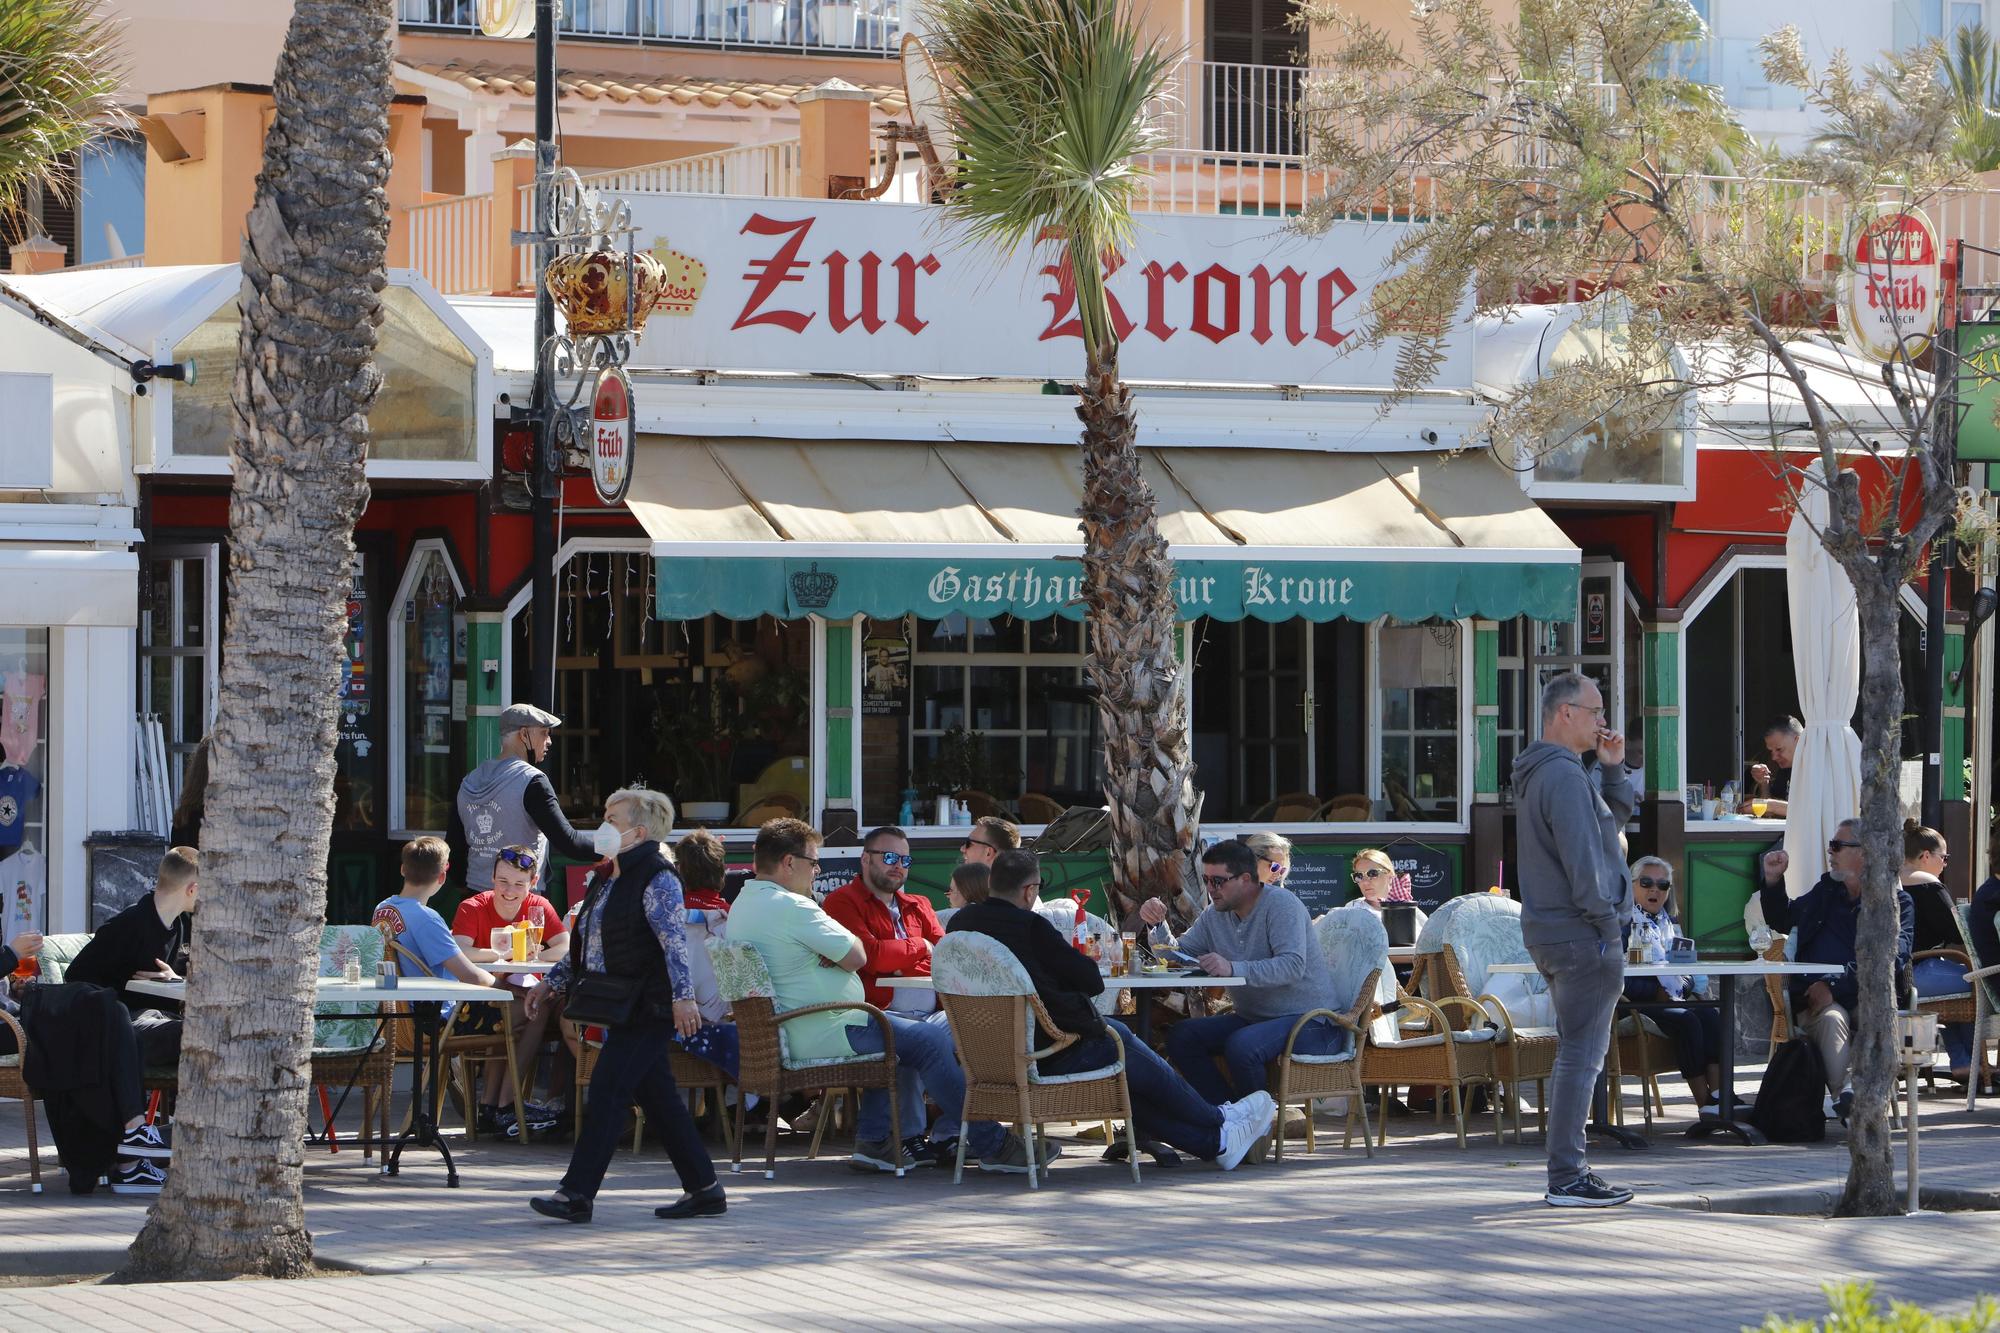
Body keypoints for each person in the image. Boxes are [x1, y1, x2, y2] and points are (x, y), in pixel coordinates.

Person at [729, 818, 1030, 1173]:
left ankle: (875, 1142)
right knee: (928, 1040)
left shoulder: (742, 904)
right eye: (813, 862)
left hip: (796, 1028)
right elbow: (859, 955)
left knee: (908, 1035)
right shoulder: (795, 907)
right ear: (789, 862)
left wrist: (833, 955)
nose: (817, 871)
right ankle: (994, 1144)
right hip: (825, 1027)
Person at [949, 848, 1276, 1168]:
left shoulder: (960, 926)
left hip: (984, 1059)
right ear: (1030, 890)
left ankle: (1217, 1142)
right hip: (1049, 1055)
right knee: (1117, 1039)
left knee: (1122, 1064)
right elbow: (1091, 979)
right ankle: (1219, 1117)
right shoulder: (1031, 928)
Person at [529, 787, 725, 1223]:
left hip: (648, 1006)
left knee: (607, 1089)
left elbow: (673, 943)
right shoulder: (608, 875)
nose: (603, 825)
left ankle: (576, 1193)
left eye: (611, 818)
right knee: (659, 1100)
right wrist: (552, 983)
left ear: (639, 831)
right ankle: (705, 1188)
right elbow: (586, 945)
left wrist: (682, 999)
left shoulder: (657, 875)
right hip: (620, 1002)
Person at [1513, 670, 1637, 1209]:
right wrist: (1609, 928)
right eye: (1595, 711)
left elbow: (1610, 834)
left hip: (1559, 932)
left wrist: (1611, 773)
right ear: (1565, 712)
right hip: (1582, 934)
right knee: (1581, 1056)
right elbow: (1586, 863)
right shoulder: (1561, 775)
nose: (1603, 721)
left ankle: (1569, 1172)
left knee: (1578, 1052)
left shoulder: (1554, 771)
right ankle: (1567, 1175)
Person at [1137, 839, 1345, 1105]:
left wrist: (1233, 968)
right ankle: (1228, 1116)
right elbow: (1176, 955)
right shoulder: (1216, 914)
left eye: (1218, 881)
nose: (1211, 889)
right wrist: (1156, 924)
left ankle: (1256, 1129)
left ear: (1246, 879)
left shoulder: (1282, 905)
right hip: (1255, 1019)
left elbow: (1292, 966)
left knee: (1242, 1045)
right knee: (1182, 1036)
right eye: (1206, 880)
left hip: (1313, 1023)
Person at [1758, 820, 1916, 1123]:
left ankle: (1851, 1098)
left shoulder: (1897, 903)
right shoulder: (1825, 891)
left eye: (1837, 846)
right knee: (1832, 1018)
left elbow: (1892, 958)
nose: (1830, 852)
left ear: (1865, 853)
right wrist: (1773, 879)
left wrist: (1833, 983)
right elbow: (1783, 918)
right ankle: (1847, 1095)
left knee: (1873, 1019)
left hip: (1869, 997)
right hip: (1817, 1001)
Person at [450, 845, 571, 1137]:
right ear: (491, 878)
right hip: (476, 1003)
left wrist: (536, 956)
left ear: (533, 881)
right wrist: (498, 954)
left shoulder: (538, 906)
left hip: (520, 993)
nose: (509, 890)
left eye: (519, 884)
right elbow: (458, 948)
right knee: (534, 1008)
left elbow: (565, 946)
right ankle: (504, 1104)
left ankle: (496, 1104)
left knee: (536, 1006)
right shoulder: (474, 906)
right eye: (502, 881)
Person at [66, 845, 200, 1070]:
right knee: (196, 1034)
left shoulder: (177, 925)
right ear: (192, 889)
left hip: (155, 1019)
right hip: (119, 1027)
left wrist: (174, 978)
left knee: (208, 1030)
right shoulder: (128, 924)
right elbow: (75, 976)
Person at [448, 703, 599, 898]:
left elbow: (454, 845)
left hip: (475, 897)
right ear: (524, 734)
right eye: (544, 733)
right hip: (518, 899)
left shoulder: (469, 780)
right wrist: (609, 850)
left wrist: (463, 886)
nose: (549, 741)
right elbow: (567, 840)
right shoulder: (532, 781)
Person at [1623, 856, 1723, 1107]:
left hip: (1668, 999)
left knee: (1710, 1015)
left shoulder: (1669, 924)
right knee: (1687, 1020)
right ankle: (1704, 1103)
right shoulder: (1622, 923)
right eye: (1646, 882)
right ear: (1632, 885)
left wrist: (1683, 987)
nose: (1654, 889)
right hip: (1631, 1003)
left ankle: (1720, 1096)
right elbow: (1613, 974)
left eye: (1662, 885)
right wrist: (1655, 991)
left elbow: (1685, 968)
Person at [1900, 822, 1976, 1085]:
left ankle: (1963, 1063)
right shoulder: (1927, 883)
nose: (1945, 864)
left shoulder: (1891, 879)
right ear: (1925, 856)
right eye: (1944, 857)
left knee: (1959, 986)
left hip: (1899, 976)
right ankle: (1970, 1062)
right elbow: (1959, 933)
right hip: (1919, 972)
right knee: (1978, 980)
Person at [373, 837, 498, 992]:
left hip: (393, 1006)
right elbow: (472, 977)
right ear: (442, 877)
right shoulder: (428, 919)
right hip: (430, 1009)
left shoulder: (382, 908)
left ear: (403, 869)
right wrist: (507, 987)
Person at [1745, 717, 1800, 817]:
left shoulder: (1815, 768)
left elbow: (1810, 811)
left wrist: (1771, 805)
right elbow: (1769, 814)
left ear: (1798, 741)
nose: (1774, 757)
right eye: (1771, 751)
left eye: (1779, 749)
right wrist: (1764, 783)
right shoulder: (1786, 769)